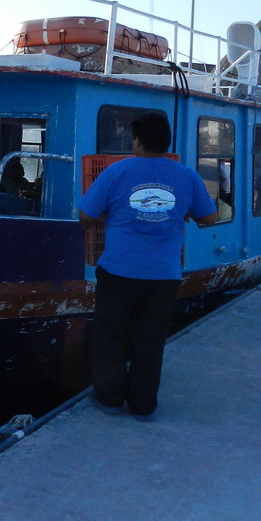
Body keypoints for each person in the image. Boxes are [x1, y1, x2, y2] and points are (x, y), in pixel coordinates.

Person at [78, 111, 217, 420]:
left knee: (111, 335)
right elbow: (209, 218)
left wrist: (111, 215)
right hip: (164, 276)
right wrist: (180, 212)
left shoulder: (116, 172)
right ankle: (143, 406)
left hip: (118, 272)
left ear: (137, 142)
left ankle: (110, 400)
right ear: (167, 143)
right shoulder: (187, 176)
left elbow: (86, 215)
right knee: (150, 339)